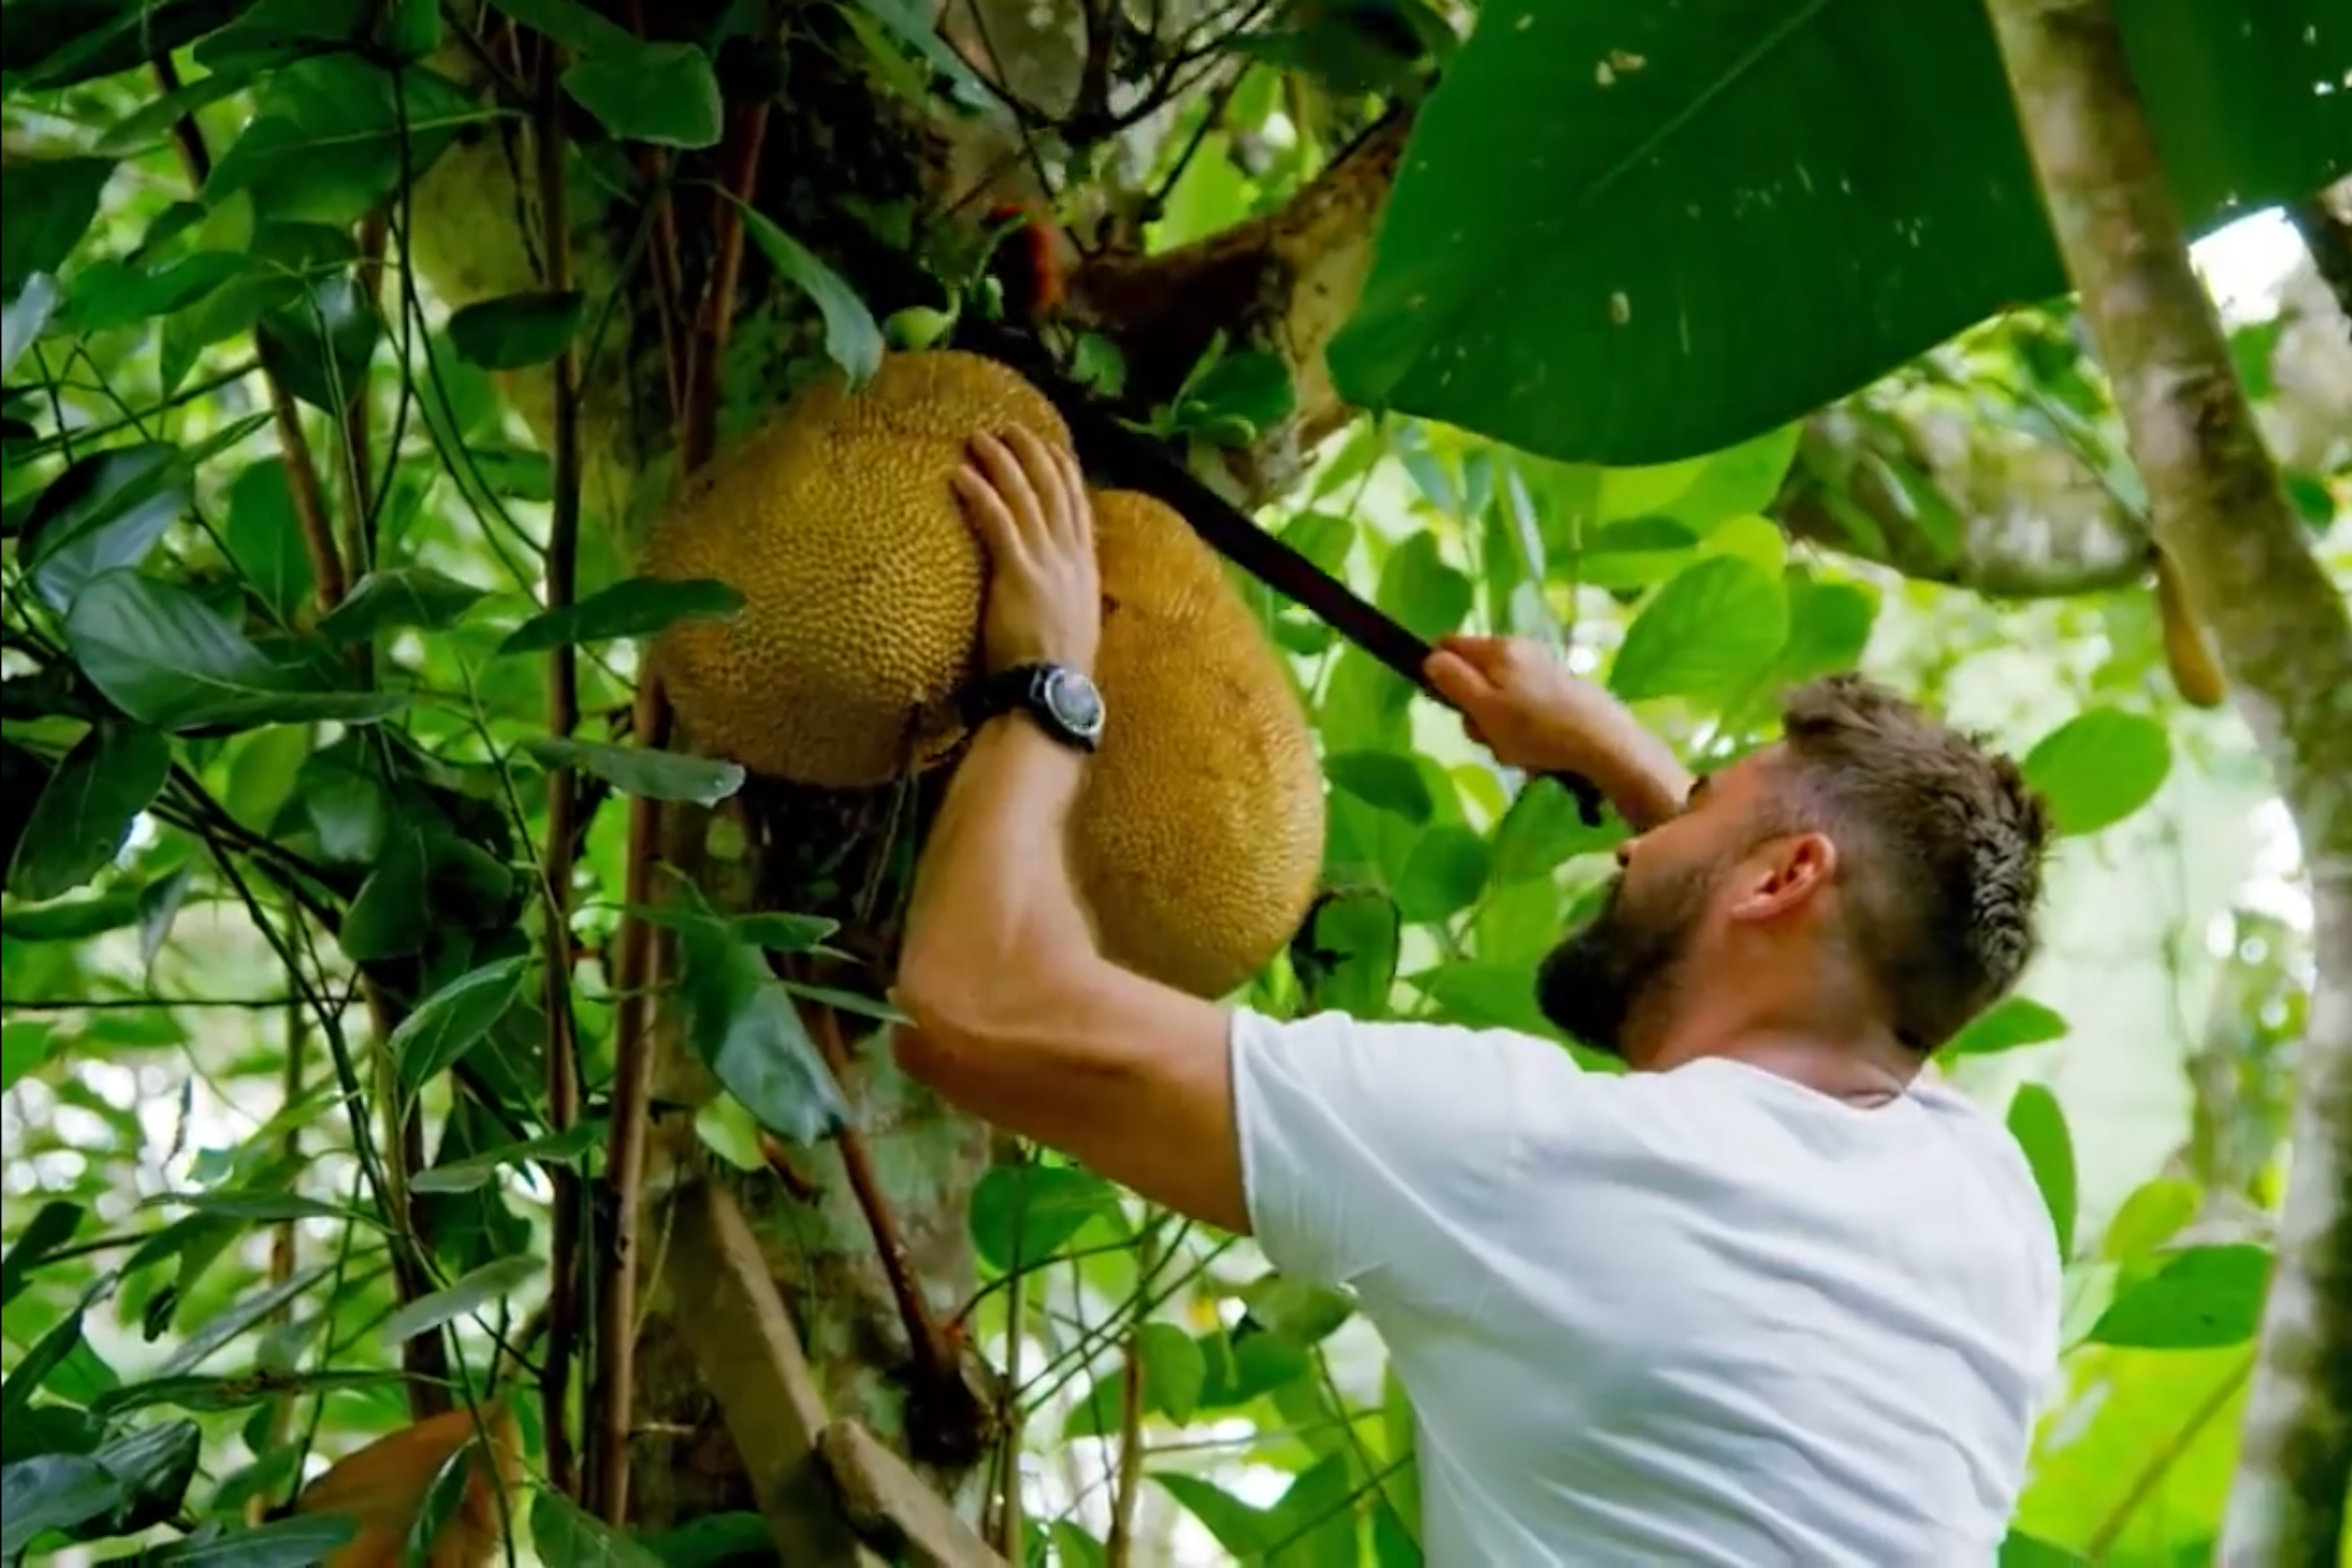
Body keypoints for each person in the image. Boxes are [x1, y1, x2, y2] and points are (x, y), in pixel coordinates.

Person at [894, 427, 2067, 1565]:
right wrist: (1628, 764)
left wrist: (1048, 682)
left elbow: (975, 1002)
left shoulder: (1531, 1158)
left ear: (1784, 878)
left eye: (1697, 810)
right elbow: (1855, 965)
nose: (1625, 852)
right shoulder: (1985, 1212)